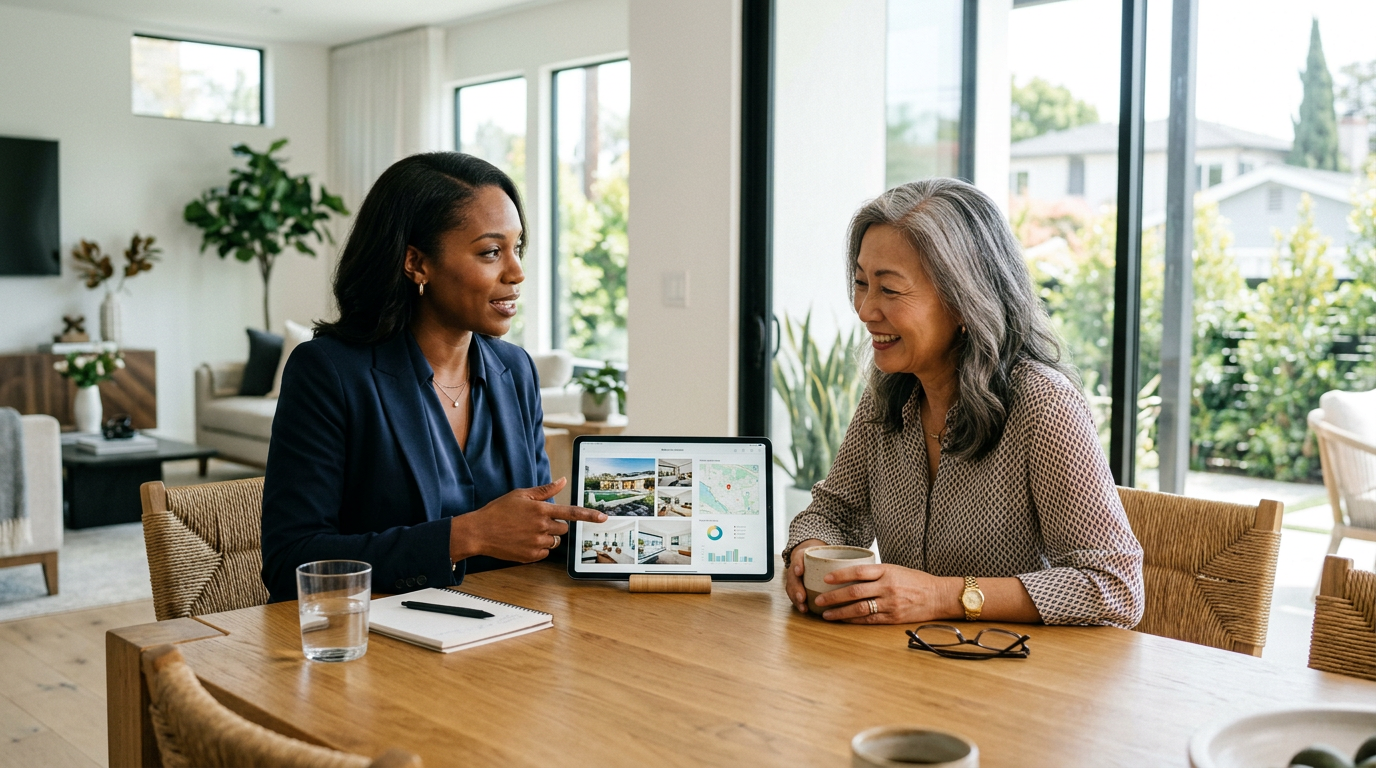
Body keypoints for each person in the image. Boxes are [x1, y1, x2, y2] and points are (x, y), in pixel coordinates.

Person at [782, 178, 1145, 628]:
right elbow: (832, 513)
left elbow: (1114, 587)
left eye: (889, 290)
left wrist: (941, 596)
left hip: (1016, 680)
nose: (865, 309)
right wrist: (807, 555)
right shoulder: (889, 395)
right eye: (861, 282)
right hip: (909, 670)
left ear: (964, 300)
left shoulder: (1043, 404)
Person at [260, 153, 606, 602]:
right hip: (377, 646)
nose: (517, 272)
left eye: (517, 248)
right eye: (490, 252)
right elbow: (292, 563)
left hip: (503, 632)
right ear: (416, 263)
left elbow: (531, 533)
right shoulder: (328, 372)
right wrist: (467, 535)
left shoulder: (515, 369)